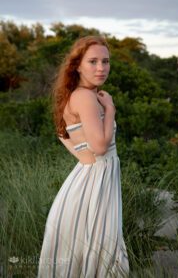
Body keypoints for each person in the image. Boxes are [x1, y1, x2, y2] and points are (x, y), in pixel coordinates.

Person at [37, 35, 129, 277]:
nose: (101, 68)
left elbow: (63, 135)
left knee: (92, 251)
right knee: (104, 251)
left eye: (106, 61)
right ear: (77, 65)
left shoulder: (75, 96)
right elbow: (100, 147)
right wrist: (110, 109)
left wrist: (85, 160)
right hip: (96, 182)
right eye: (93, 61)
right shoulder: (86, 97)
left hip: (88, 179)